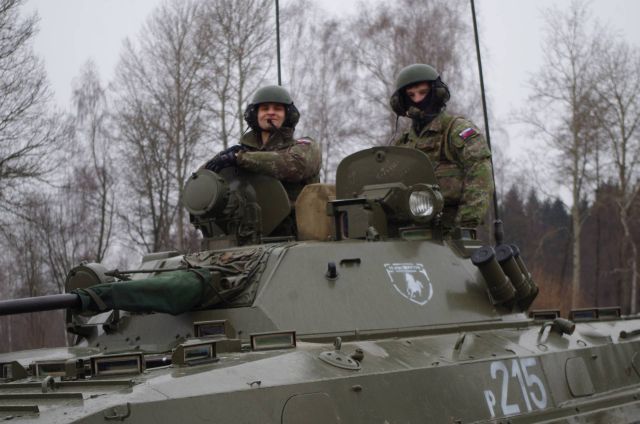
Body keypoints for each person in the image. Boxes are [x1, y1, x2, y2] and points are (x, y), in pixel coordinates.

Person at [389, 63, 493, 230]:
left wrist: (464, 225)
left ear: (437, 93)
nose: (417, 100)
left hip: (449, 231)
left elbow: (480, 176)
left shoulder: (456, 130)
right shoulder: (403, 143)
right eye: (411, 95)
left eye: (423, 92)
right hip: (409, 232)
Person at [205, 85, 321, 203]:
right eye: (265, 109)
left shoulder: (306, 147)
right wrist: (223, 161)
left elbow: (296, 166)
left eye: (277, 109)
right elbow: (202, 178)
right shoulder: (241, 152)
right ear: (255, 115)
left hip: (297, 214)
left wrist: (239, 158)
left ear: (288, 115)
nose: (271, 112)